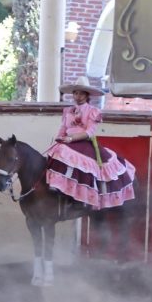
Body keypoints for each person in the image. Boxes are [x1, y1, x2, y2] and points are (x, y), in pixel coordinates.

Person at [43, 76, 135, 209]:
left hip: (83, 141)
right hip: (67, 142)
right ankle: (58, 186)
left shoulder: (93, 111)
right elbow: (63, 128)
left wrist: (71, 139)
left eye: (81, 93)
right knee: (56, 151)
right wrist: (59, 138)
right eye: (75, 93)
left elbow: (90, 132)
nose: (77, 96)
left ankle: (85, 196)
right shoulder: (68, 110)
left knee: (71, 155)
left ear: (87, 96)